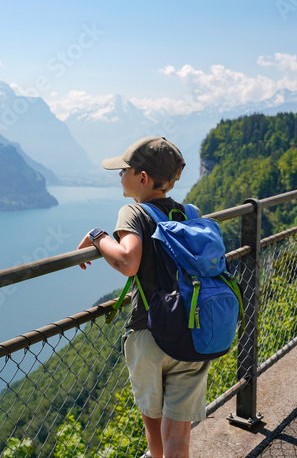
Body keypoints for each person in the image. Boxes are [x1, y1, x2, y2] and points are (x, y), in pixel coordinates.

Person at [77, 136, 210, 458]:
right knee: (179, 434)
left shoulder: (133, 212)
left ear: (143, 178)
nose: (119, 176)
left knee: (154, 426)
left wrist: (98, 235)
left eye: (124, 170)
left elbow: (126, 261)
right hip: (195, 329)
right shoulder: (189, 212)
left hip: (151, 332)